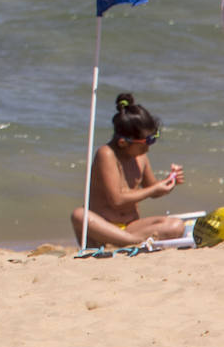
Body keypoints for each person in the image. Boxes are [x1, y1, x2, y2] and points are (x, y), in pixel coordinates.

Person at [70, 93, 186, 248]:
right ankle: (135, 242)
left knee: (176, 225)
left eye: (153, 140)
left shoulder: (141, 157)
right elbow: (117, 200)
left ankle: (127, 241)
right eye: (145, 143)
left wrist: (169, 181)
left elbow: (154, 189)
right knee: (79, 215)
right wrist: (153, 190)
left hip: (131, 227)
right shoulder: (107, 154)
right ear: (123, 142)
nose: (148, 148)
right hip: (104, 229)